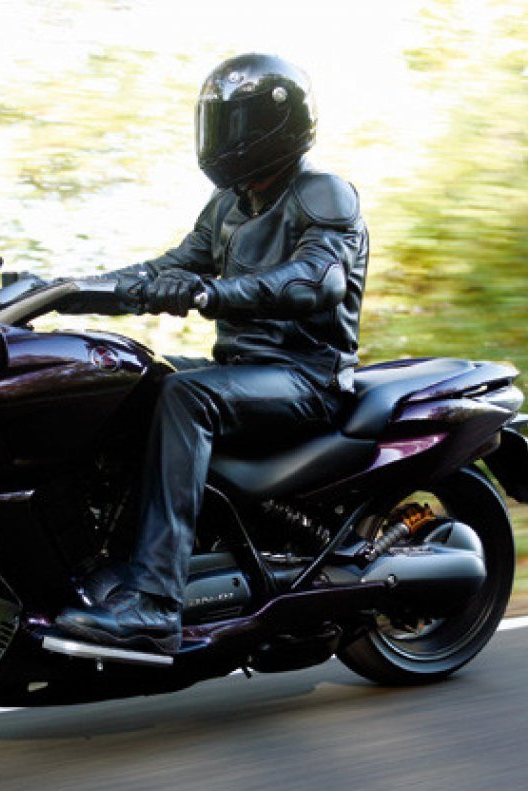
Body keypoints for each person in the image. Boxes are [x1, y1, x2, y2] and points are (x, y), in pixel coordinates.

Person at [54, 52, 369, 654]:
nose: (223, 136)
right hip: (244, 373)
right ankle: (109, 565)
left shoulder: (323, 193)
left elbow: (315, 279)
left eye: (236, 122)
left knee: (184, 396)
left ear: (273, 123)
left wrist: (211, 293)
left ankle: (155, 605)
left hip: (307, 378)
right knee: (129, 379)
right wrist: (64, 291)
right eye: (218, 122)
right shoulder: (227, 205)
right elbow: (163, 269)